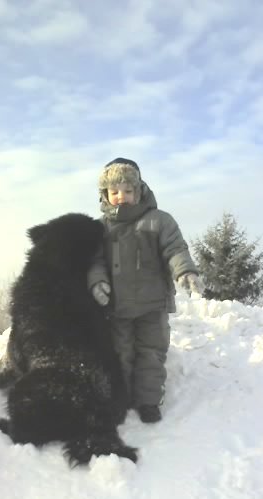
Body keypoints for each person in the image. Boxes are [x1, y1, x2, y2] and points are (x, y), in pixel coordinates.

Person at [88, 158, 204, 423]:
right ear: (104, 194)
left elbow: (175, 248)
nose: (122, 197)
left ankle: (148, 401)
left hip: (153, 305)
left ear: (139, 191)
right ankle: (121, 397)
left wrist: (185, 271)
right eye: (115, 192)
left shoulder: (159, 221)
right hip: (117, 307)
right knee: (120, 352)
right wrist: (97, 283)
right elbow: (94, 261)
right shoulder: (100, 228)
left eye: (128, 190)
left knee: (151, 352)